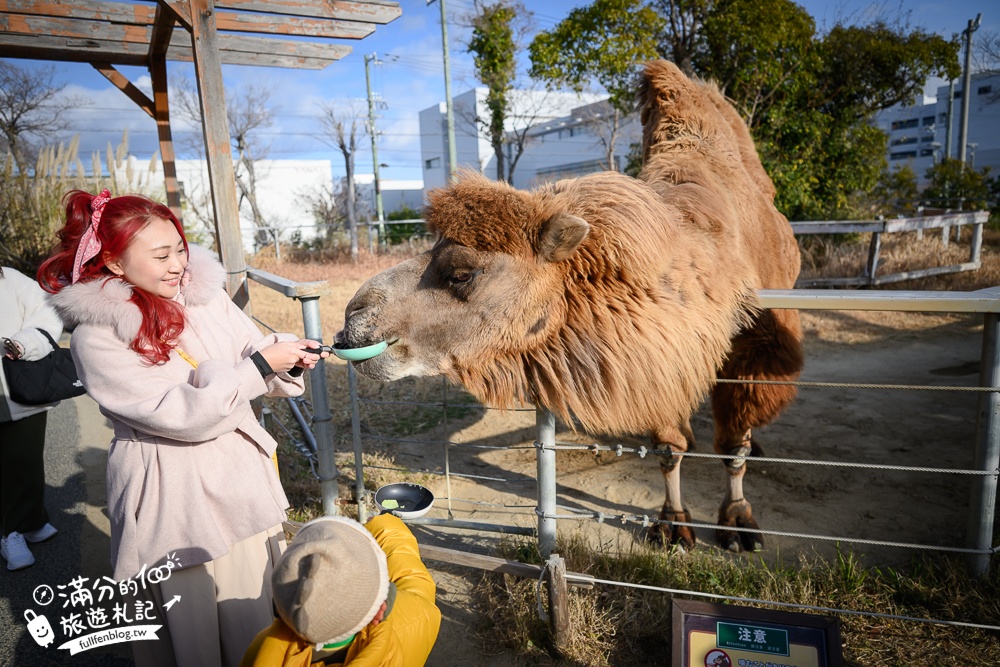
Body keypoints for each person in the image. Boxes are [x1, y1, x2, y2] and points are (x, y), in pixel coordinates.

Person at [38, 189, 328, 667]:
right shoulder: (97, 336)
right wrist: (258, 366)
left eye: (179, 248)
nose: (177, 265)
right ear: (112, 263)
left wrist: (287, 360)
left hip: (237, 480)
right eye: (160, 255)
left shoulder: (205, 298)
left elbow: (252, 355)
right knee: (192, 624)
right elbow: (181, 415)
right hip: (171, 494)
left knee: (253, 612)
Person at [241, 512, 441, 667]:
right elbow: (414, 581)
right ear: (380, 610)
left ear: (279, 607)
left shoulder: (260, 649)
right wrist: (386, 524)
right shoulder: (411, 619)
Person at [0, 265, 63, 571]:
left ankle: (31, 520)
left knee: (25, 458)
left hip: (18, 385)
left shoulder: (9, 278)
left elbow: (46, 311)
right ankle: (9, 533)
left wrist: (23, 343)